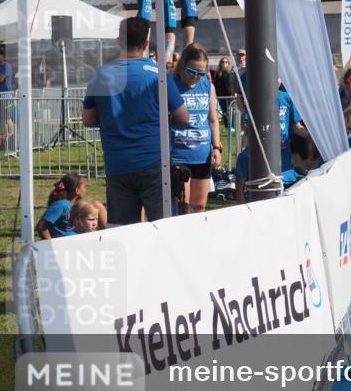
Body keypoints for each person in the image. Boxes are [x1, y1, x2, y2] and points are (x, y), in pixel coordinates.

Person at [82, 17, 188, 225]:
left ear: (117, 41)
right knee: (166, 229)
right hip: (154, 163)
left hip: (118, 165)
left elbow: (88, 119)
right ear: (146, 42)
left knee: (123, 231)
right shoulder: (158, 74)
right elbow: (183, 117)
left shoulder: (101, 75)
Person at [170, 43, 222, 214]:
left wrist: (216, 147)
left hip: (202, 154)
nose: (196, 77)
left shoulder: (208, 86)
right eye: (192, 72)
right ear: (183, 65)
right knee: (182, 207)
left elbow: (213, 119)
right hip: (178, 155)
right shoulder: (171, 85)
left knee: (199, 207)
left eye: (201, 73)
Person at [36, 173, 107, 239]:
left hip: (75, 241)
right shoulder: (61, 205)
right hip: (64, 245)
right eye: (84, 187)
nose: (85, 190)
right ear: (77, 190)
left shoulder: (75, 205)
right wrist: (51, 245)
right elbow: (41, 227)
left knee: (96, 204)